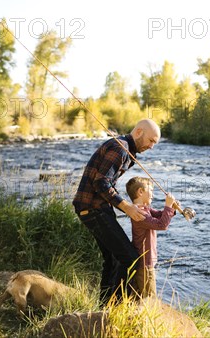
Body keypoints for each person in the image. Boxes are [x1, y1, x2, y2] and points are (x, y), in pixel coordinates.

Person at [72, 119, 163, 305]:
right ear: (138, 132)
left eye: (155, 143)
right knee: (129, 258)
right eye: (151, 140)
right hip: (93, 209)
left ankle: (104, 306)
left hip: (97, 208)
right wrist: (126, 206)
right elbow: (101, 182)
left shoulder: (125, 149)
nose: (152, 146)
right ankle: (117, 308)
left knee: (113, 259)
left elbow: (105, 183)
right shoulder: (120, 148)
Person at [125, 176, 177, 297]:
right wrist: (168, 206)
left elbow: (159, 215)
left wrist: (171, 209)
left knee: (139, 295)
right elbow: (162, 224)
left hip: (145, 261)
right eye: (151, 190)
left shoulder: (144, 209)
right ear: (140, 192)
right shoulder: (140, 213)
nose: (153, 194)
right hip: (145, 262)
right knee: (149, 296)